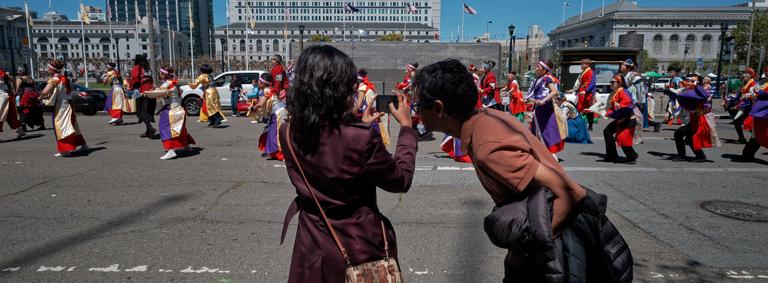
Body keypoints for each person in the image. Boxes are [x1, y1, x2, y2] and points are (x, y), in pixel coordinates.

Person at [412, 59, 632, 282]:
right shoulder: (488, 118)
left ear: (439, 108)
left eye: (419, 105)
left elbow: (571, 193)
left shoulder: (488, 148)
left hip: (560, 247)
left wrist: (529, 252)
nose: (417, 111)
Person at [279, 45, 416, 283]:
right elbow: (400, 179)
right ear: (338, 89)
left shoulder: (287, 131)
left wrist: (354, 121)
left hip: (311, 240)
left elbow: (327, 137)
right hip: (356, 242)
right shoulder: (360, 138)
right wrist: (406, 130)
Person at [141, 66, 196, 160]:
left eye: (160, 73)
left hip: (171, 110)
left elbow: (158, 93)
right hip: (179, 109)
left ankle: (171, 151)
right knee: (179, 129)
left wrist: (146, 93)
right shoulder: (174, 83)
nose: (159, 75)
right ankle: (186, 146)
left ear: (163, 74)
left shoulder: (166, 84)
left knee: (164, 129)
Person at [40, 60, 88, 157]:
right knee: (73, 126)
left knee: (62, 127)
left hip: (61, 106)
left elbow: (45, 91)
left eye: (48, 68)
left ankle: (66, 150)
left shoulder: (55, 79)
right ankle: (83, 145)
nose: (47, 69)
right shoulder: (64, 78)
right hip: (69, 104)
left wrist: (41, 96)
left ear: (51, 69)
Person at [671, 74, 718, 162]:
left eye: (692, 81)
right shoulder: (686, 89)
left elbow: (705, 97)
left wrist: (696, 86)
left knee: (679, 134)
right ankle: (699, 156)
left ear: (697, 82)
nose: (689, 82)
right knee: (689, 138)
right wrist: (670, 92)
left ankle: (687, 155)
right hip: (692, 118)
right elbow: (677, 93)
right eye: (689, 80)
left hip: (700, 119)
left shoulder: (700, 90)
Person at [525, 60, 566, 159]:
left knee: (546, 130)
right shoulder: (540, 78)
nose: (536, 68)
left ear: (544, 70)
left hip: (545, 108)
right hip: (539, 107)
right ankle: (538, 151)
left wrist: (543, 100)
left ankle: (550, 154)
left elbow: (554, 91)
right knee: (537, 129)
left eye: (538, 67)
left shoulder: (547, 78)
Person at [603, 75, 639, 164]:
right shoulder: (616, 92)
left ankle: (632, 155)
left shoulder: (623, 92)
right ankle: (612, 155)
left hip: (628, 119)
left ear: (619, 83)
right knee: (607, 131)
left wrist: (621, 105)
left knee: (622, 138)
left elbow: (629, 103)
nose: (610, 84)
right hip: (621, 119)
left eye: (612, 82)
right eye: (610, 82)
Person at [253, 72, 286, 160]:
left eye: (259, 81)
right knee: (269, 132)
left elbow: (261, 104)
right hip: (277, 113)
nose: (258, 82)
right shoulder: (268, 89)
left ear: (263, 83)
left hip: (278, 113)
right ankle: (271, 151)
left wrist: (253, 108)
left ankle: (280, 154)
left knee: (275, 134)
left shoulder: (266, 90)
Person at [737, 76, 768, 161]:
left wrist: (760, 92)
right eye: (766, 71)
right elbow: (755, 94)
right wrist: (749, 95)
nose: (766, 72)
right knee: (756, 134)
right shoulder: (762, 82)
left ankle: (747, 154)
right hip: (758, 110)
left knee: (761, 134)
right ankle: (747, 154)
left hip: (764, 112)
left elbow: (760, 94)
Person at [128, 54, 156, 138]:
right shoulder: (147, 68)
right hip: (151, 91)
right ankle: (148, 131)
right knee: (148, 112)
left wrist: (130, 86)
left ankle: (151, 129)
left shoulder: (137, 67)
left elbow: (135, 79)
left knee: (142, 112)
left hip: (142, 92)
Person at [189, 64, 225, 128]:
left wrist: (189, 83)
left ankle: (217, 120)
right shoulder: (210, 75)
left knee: (210, 107)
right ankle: (213, 121)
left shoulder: (202, 76)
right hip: (214, 91)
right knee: (213, 106)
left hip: (209, 92)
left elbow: (195, 85)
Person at [16, 65, 44, 132]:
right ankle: (42, 125)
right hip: (34, 95)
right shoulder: (31, 79)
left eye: (18, 70)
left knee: (24, 110)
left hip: (25, 96)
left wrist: (15, 94)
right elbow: (34, 88)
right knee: (35, 109)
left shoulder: (20, 79)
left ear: (20, 72)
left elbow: (16, 90)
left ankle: (23, 127)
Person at [571, 58, 597, 131]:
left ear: (587, 65)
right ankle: (579, 124)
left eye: (583, 64)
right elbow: (579, 83)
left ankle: (590, 125)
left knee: (588, 110)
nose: (581, 65)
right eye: (581, 64)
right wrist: (575, 90)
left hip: (587, 93)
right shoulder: (583, 72)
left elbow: (592, 82)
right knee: (580, 108)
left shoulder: (591, 72)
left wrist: (586, 91)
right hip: (582, 92)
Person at [0, 68, 22, 138]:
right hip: (6, 96)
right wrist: (14, 90)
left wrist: (14, 90)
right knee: (11, 116)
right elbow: (12, 80)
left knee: (6, 115)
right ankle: (20, 131)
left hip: (3, 97)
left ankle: (20, 131)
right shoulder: (4, 74)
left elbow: (12, 80)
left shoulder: (3, 74)